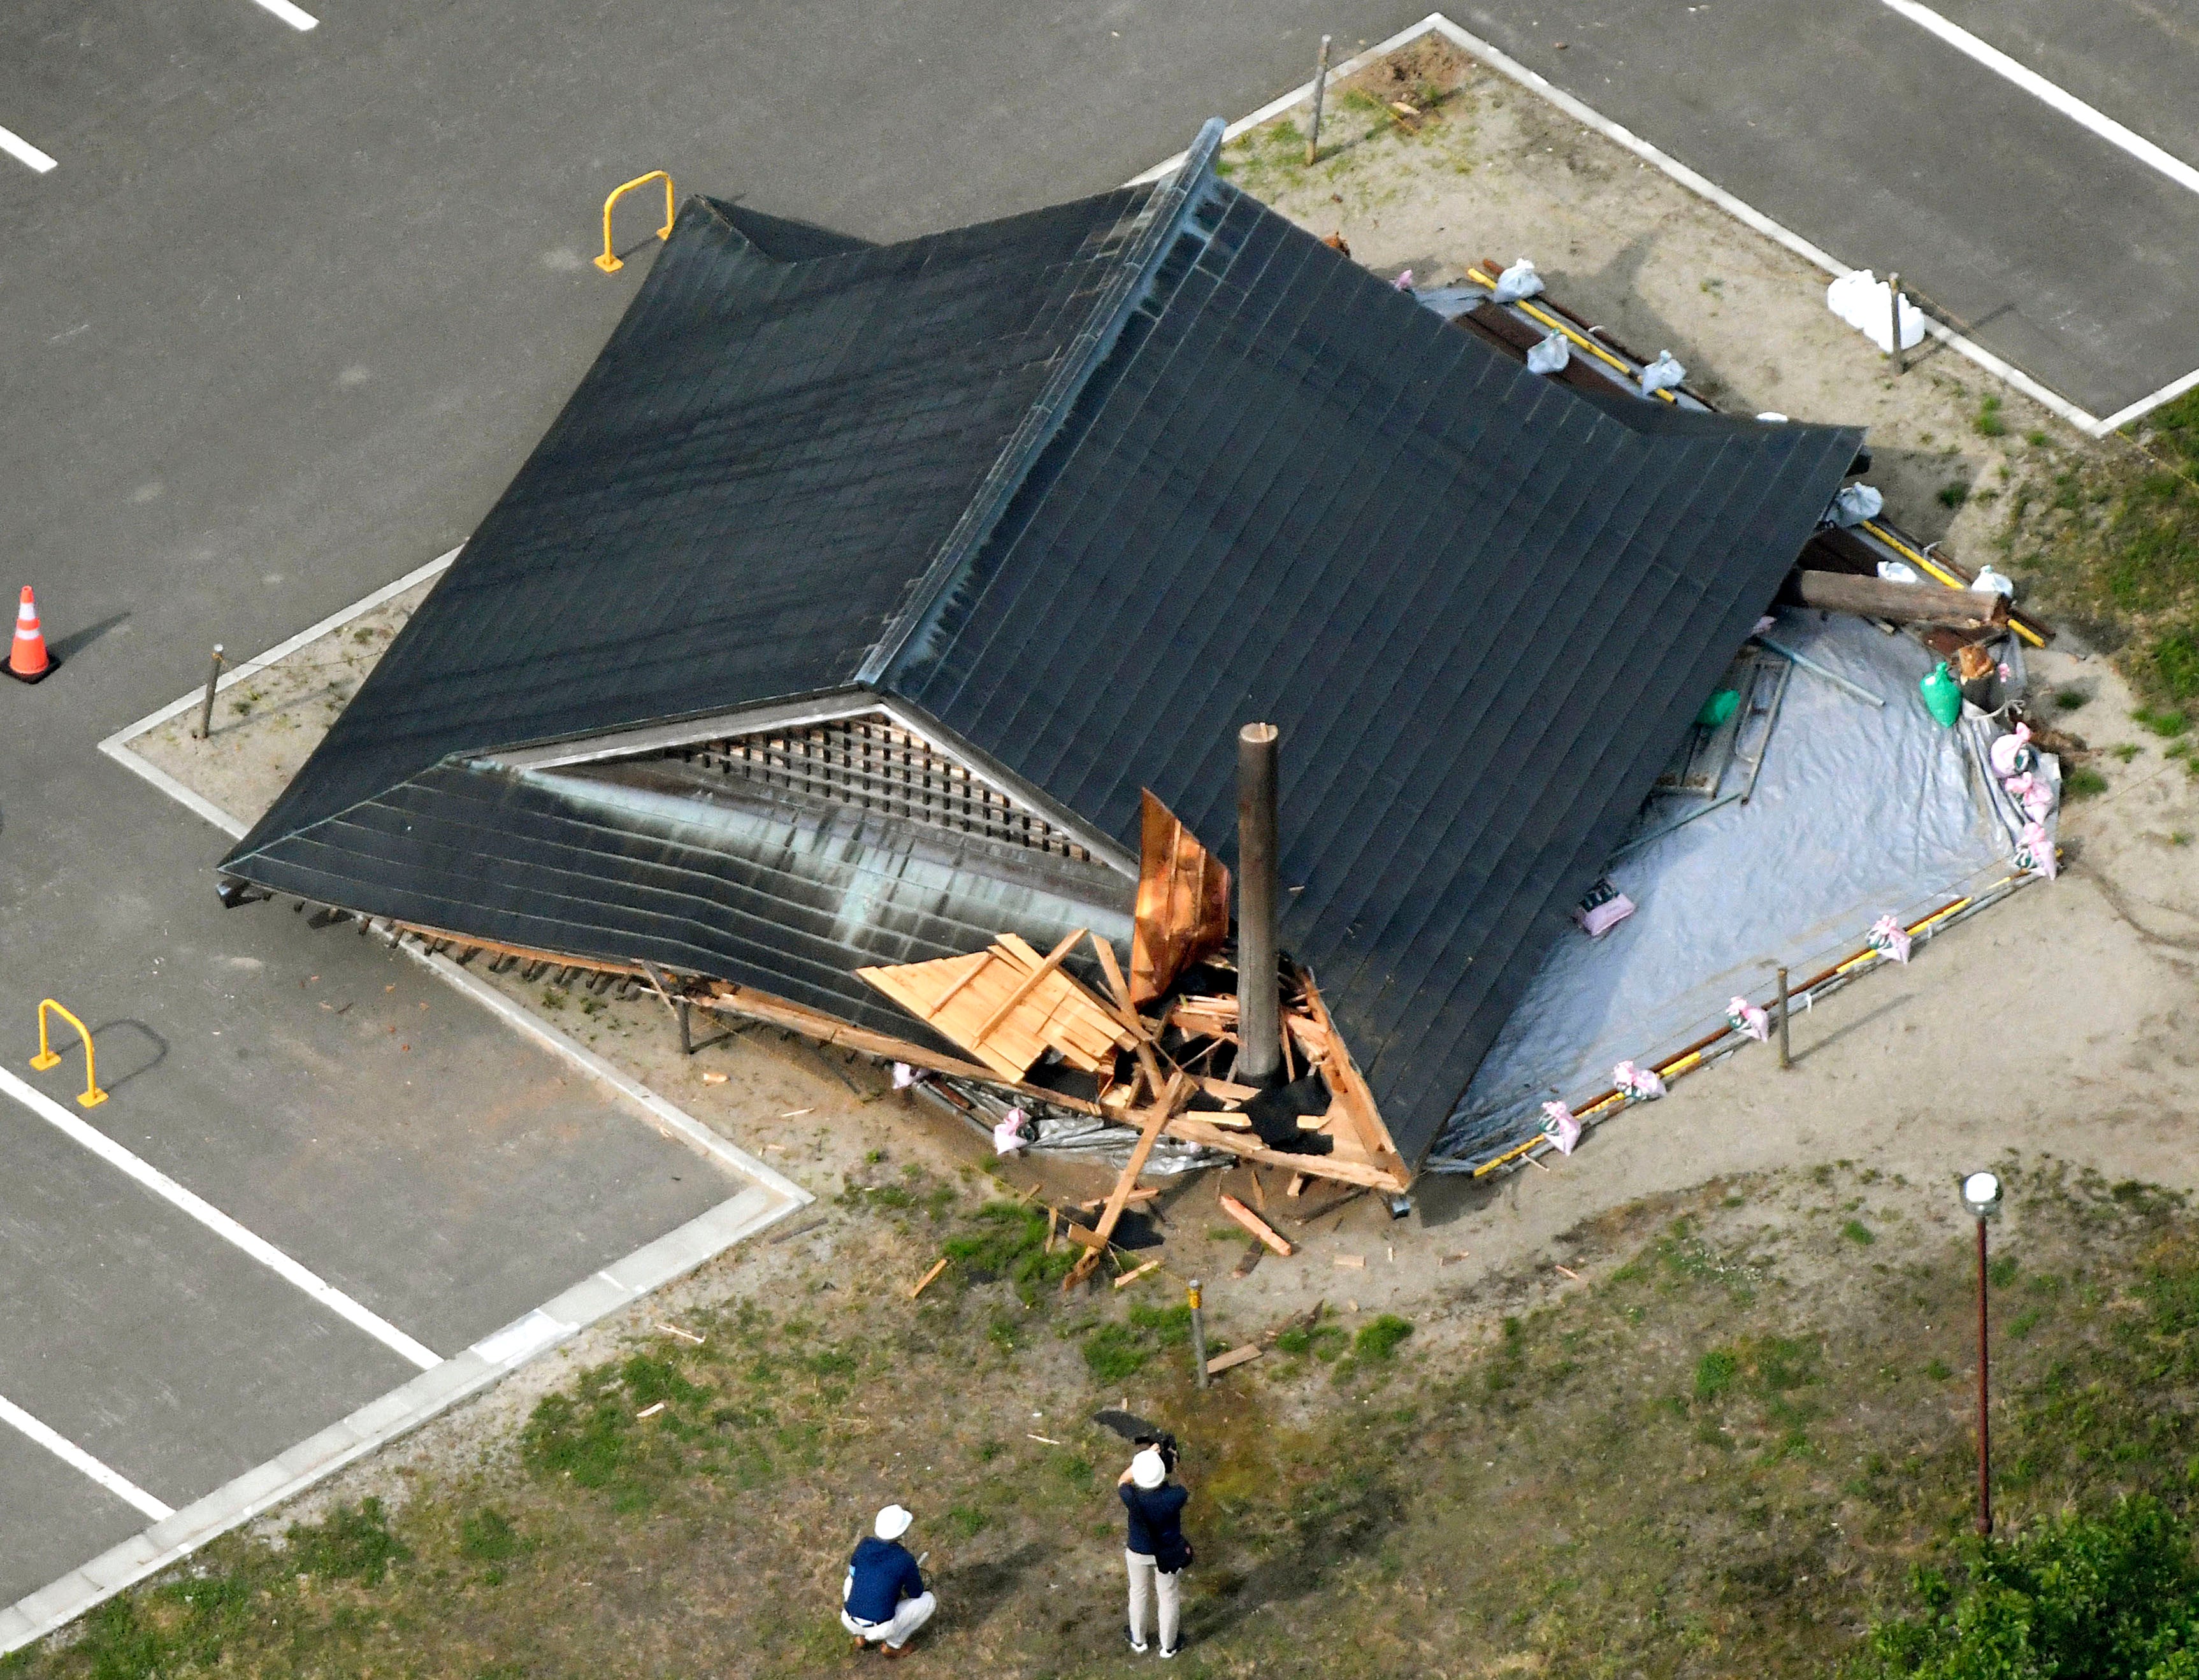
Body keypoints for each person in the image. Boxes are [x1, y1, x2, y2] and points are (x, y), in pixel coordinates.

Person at [1119, 1447, 1191, 1657]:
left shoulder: (1130, 1496)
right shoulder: (1175, 1496)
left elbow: (1122, 1481)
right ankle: (1169, 1646)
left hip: (1138, 1552)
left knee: (1138, 1593)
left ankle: (1138, 1640)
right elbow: (1185, 1486)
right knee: (1168, 1597)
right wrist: (1174, 1461)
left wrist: (1146, 1457)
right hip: (1167, 1553)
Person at [842, 1504, 935, 1658]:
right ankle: (893, 1645)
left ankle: (859, 1635)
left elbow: (853, 1574)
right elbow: (916, 1592)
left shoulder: (864, 1545)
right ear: (902, 1532)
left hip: (849, 1618)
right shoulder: (905, 1559)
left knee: (849, 1581)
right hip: (881, 1628)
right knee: (929, 1601)